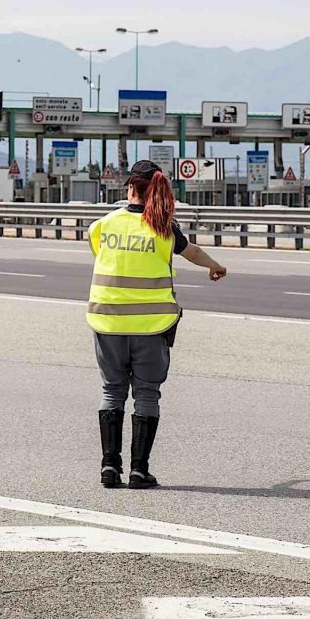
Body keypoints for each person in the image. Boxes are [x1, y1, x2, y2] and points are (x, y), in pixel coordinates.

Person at [87, 160, 227, 489]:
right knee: (147, 394)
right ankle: (139, 470)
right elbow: (190, 252)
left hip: (107, 323)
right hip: (151, 326)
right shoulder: (164, 227)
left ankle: (109, 468)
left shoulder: (104, 225)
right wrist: (215, 265)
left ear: (128, 188)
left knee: (112, 391)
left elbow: (100, 254)